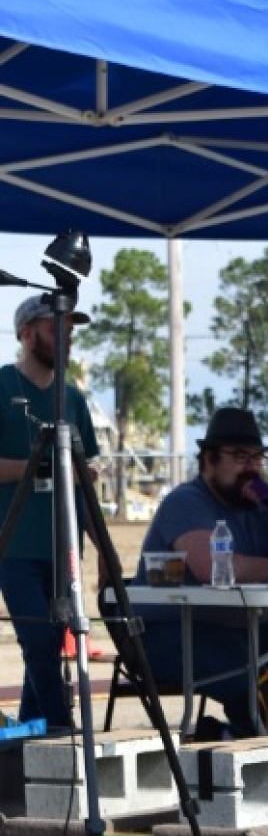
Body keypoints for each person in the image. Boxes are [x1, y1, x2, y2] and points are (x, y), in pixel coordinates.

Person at [132, 406, 268, 736]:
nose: (251, 468)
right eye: (240, 457)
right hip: (171, 629)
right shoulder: (186, 501)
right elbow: (214, 569)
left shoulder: (262, 508)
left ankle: (231, 735)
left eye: (258, 458)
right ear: (210, 459)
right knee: (266, 692)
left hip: (243, 626)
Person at [0, 292, 99, 730]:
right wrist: (34, 467)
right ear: (27, 333)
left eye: (71, 331)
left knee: (45, 646)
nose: (66, 338)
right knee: (38, 641)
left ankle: (28, 740)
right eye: (55, 328)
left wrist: (102, 552)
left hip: (64, 547)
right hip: (14, 543)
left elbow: (86, 473)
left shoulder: (72, 399)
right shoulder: (2, 385)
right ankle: (64, 732)